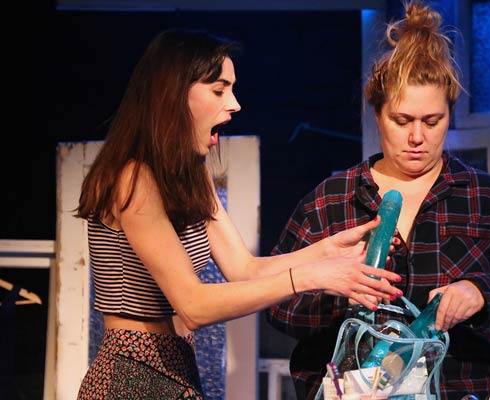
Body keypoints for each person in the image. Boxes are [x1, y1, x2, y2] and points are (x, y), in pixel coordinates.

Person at [74, 28, 403, 399]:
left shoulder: (193, 174)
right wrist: (311, 276)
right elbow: (194, 306)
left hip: (177, 365)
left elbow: (244, 269)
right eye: (219, 90)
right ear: (173, 94)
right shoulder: (133, 179)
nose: (234, 104)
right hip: (130, 374)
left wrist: (327, 252)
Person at [266, 1, 490, 399]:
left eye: (432, 121)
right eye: (402, 121)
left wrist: (482, 293)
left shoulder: (485, 197)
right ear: (377, 115)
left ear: (449, 115)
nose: (417, 137)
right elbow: (276, 304)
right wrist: (337, 290)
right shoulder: (332, 199)